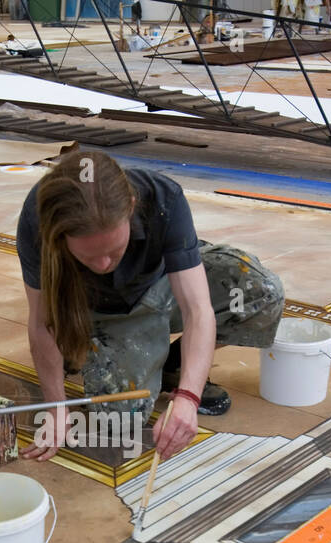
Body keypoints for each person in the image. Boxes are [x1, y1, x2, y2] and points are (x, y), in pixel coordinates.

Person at [16, 150, 285, 463]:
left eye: (113, 250)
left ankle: (175, 364)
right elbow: (42, 322)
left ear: (131, 208)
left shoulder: (163, 199)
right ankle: (86, 345)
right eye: (89, 257)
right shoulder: (39, 217)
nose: (103, 264)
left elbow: (197, 310)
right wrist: (57, 407)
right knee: (120, 420)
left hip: (166, 283)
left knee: (261, 291)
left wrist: (187, 397)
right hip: (102, 310)